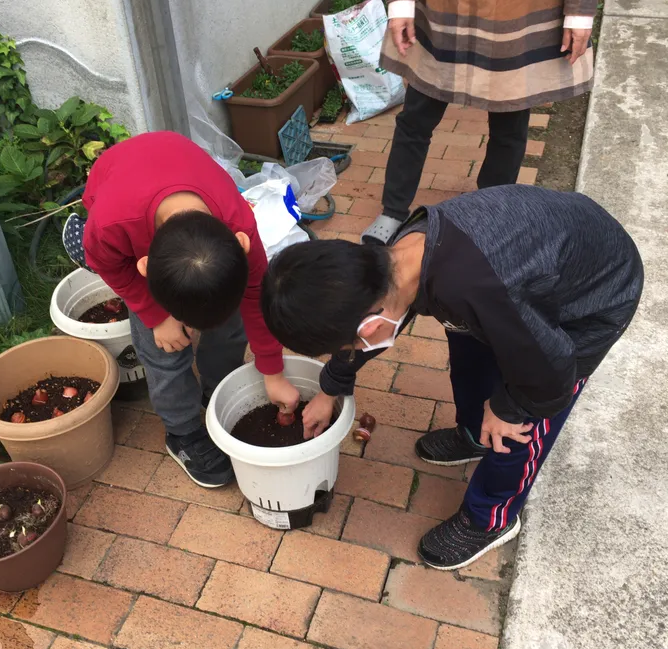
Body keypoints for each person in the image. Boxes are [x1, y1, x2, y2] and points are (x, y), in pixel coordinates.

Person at [261, 185, 642, 569]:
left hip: (591, 299)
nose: (354, 351)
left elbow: (552, 372)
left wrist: (509, 408)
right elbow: (385, 322)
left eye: (351, 345)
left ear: (371, 322)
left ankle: (491, 517)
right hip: (530, 276)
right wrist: (331, 388)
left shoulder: (479, 287)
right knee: (469, 347)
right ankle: (474, 433)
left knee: (518, 425)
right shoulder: (389, 260)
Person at [74, 131, 299, 488]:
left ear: (240, 246)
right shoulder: (109, 227)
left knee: (233, 325)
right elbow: (107, 264)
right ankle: (182, 433)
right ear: (144, 266)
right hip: (118, 183)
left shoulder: (241, 226)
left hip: (176, 168)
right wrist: (155, 314)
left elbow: (256, 298)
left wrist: (272, 373)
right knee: (162, 349)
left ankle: (216, 387)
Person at [361, 0, 606, 244]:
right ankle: (394, 210)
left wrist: (579, 12)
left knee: (509, 123)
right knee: (416, 115)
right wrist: (401, 0)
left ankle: (490, 215)